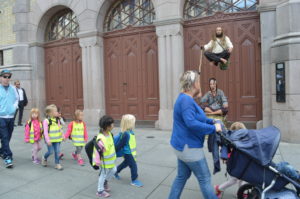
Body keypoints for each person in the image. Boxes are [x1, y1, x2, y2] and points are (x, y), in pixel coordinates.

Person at [168, 70, 222, 199]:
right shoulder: (186, 100)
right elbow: (191, 123)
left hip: (181, 146)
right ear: (193, 84)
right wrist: (213, 128)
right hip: (189, 148)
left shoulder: (185, 99)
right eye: (198, 81)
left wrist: (212, 121)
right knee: (205, 179)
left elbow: (197, 118)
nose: (200, 83)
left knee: (182, 176)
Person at [214, 122, 246, 198]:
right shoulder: (232, 140)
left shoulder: (231, 138)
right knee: (234, 179)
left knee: (242, 178)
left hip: (237, 162)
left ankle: (241, 193)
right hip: (234, 162)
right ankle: (219, 188)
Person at [114, 114, 143, 187]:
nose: (134, 123)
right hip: (128, 153)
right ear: (129, 123)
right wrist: (113, 151)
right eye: (133, 122)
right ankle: (134, 180)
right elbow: (120, 145)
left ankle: (115, 171)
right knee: (133, 166)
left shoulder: (130, 132)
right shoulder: (126, 134)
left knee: (125, 164)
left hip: (131, 153)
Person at [94, 115, 117, 198]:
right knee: (102, 175)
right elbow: (97, 151)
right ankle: (100, 191)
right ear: (107, 127)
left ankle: (105, 182)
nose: (113, 125)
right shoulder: (101, 138)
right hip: (103, 162)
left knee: (114, 170)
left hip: (110, 160)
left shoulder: (110, 134)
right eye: (112, 124)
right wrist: (97, 162)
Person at [0, 69, 18, 168]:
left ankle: (2, 151)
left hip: (11, 116)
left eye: (8, 77)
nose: (7, 79)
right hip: (1, 117)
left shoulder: (13, 88)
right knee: (5, 137)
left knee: (8, 136)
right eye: (5, 77)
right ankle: (8, 157)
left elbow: (16, 99)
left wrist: (14, 108)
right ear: (0, 78)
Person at [41, 104, 63, 170]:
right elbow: (45, 132)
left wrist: (63, 136)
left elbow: (60, 128)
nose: (58, 112)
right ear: (51, 113)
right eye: (56, 111)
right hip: (50, 140)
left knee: (57, 151)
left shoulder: (57, 120)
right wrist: (48, 140)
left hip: (57, 139)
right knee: (50, 152)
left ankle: (57, 163)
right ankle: (44, 158)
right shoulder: (46, 121)